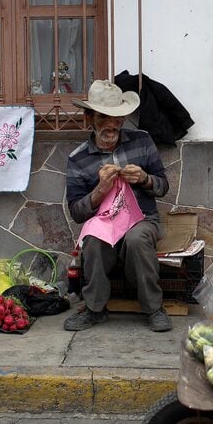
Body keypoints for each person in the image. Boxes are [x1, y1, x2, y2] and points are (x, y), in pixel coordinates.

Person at [65, 79, 173, 333]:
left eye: (118, 117)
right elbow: (77, 212)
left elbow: (163, 186)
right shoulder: (78, 158)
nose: (112, 124)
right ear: (89, 116)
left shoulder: (142, 141)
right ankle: (94, 310)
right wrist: (100, 190)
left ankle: (154, 308)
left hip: (142, 220)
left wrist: (145, 179)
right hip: (104, 223)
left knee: (136, 239)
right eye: (104, 117)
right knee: (93, 241)